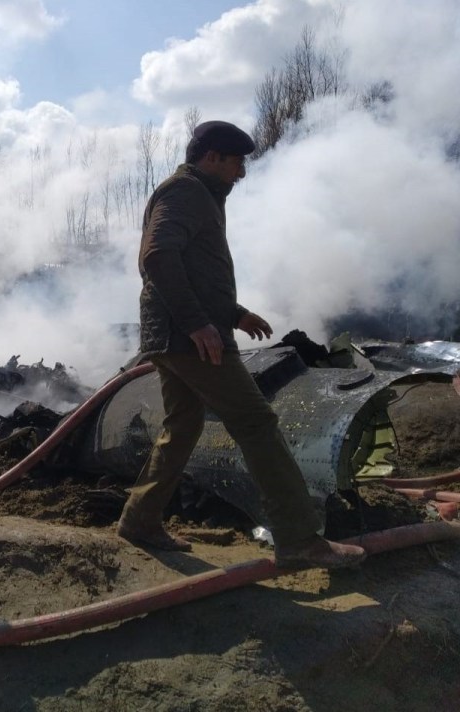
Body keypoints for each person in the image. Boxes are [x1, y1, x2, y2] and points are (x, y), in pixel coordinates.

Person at [117, 120, 366, 570]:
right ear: (211, 157)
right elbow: (156, 256)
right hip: (189, 339)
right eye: (237, 162)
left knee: (183, 425)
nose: (242, 173)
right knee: (256, 422)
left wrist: (234, 315)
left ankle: (140, 518)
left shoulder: (198, 195)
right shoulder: (187, 193)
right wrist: (198, 325)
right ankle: (299, 538)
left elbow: (196, 271)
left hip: (174, 335)